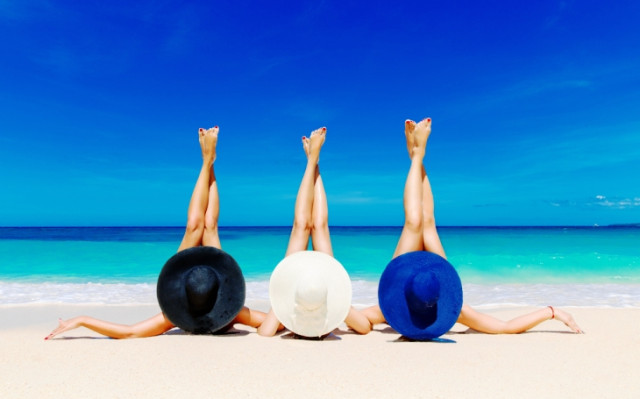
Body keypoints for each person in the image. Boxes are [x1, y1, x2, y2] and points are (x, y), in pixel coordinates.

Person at [353, 118, 584, 335]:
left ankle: (416, 156)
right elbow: (504, 328)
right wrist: (551, 312)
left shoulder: (391, 307)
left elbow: (361, 323)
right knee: (427, 222)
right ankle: (416, 155)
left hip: (403, 276)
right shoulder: (453, 310)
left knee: (415, 222)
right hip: (434, 275)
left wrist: (337, 304)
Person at [45, 126, 267, 340]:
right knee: (208, 226)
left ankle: (207, 160)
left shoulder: (174, 316)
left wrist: (83, 320)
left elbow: (130, 332)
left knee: (194, 225)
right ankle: (209, 161)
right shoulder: (234, 313)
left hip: (187, 275)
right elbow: (274, 322)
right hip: (212, 273)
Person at [257, 127, 372, 337]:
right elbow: (364, 327)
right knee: (319, 226)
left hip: (298, 282)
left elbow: (265, 332)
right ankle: (314, 161)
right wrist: (338, 303)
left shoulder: (291, 306)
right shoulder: (331, 306)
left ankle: (312, 161)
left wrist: (282, 299)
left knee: (301, 226)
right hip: (321, 283)